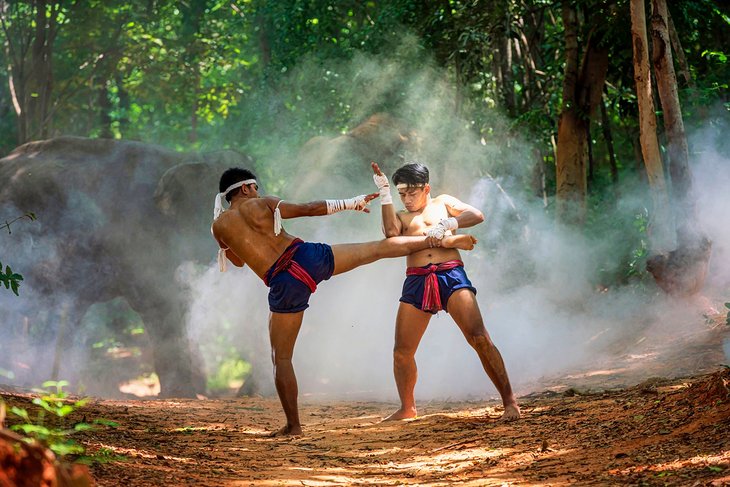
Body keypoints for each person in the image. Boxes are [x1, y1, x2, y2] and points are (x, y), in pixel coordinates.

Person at [211, 167, 478, 436]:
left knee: (281, 357)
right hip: (306, 257)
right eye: (255, 187)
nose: (257, 191)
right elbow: (309, 208)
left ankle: (293, 426)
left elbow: (237, 260)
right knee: (375, 249)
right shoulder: (262, 203)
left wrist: (235, 240)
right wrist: (350, 203)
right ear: (246, 188)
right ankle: (436, 240)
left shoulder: (218, 226)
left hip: (283, 282)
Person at [371, 161, 520, 421]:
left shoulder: (442, 202)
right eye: (401, 194)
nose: (406, 199)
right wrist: (384, 195)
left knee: (479, 338)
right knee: (401, 352)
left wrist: (448, 223)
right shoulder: (401, 216)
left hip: (450, 274)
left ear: (426, 188)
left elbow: (477, 215)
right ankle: (407, 408)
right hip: (417, 279)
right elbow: (390, 233)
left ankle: (510, 402)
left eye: (412, 193)